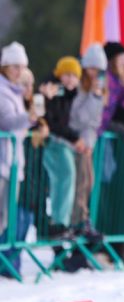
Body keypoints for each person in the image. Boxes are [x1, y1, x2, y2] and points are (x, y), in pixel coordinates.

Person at [37, 57, 85, 239]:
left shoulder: (69, 94)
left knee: (67, 179)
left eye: (75, 76)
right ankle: (58, 222)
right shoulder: (51, 90)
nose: (71, 79)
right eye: (67, 75)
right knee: (65, 176)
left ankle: (61, 221)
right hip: (51, 142)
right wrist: (74, 137)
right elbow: (48, 119)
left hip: (61, 141)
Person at [0, 43, 36, 271]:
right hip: (2, 163)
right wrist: (28, 117)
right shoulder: (2, 91)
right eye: (14, 66)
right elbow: (7, 122)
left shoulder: (15, 91)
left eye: (21, 67)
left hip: (12, 163)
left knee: (4, 218)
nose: (18, 71)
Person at [69, 44, 107, 241]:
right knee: (81, 182)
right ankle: (79, 220)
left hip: (87, 143)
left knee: (88, 181)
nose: (95, 74)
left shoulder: (98, 92)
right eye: (92, 69)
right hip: (75, 142)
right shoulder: (80, 90)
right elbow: (80, 118)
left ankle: (83, 219)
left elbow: (95, 122)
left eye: (99, 71)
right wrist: (93, 96)